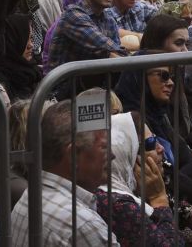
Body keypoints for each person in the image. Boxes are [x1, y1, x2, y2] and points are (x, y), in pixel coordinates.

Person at [10, 97, 119, 247]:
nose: (112, 155)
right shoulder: (82, 225)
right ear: (74, 155)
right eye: (104, 147)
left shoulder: (31, 196)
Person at [93, 112, 178, 247]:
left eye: (156, 139)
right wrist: (159, 199)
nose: (161, 148)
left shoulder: (123, 192)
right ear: (126, 153)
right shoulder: (118, 205)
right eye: (150, 143)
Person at [46, 0, 126, 75]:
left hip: (95, 86)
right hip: (65, 88)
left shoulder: (108, 19)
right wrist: (135, 58)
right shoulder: (73, 15)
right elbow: (104, 44)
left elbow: (116, 53)